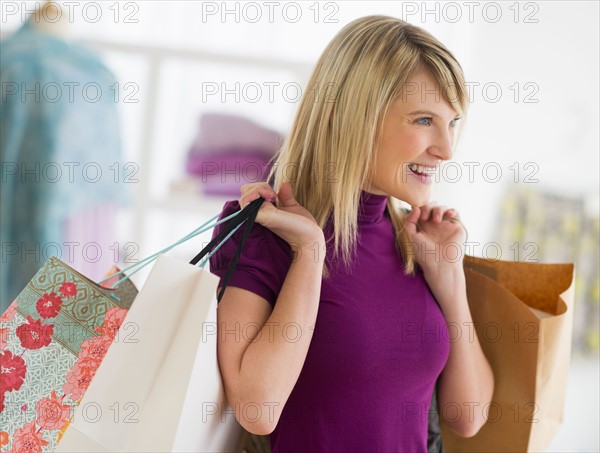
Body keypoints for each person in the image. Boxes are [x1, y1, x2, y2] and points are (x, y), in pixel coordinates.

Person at [208, 15, 494, 453]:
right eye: (423, 120)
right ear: (352, 116)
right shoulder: (263, 230)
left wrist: (450, 281)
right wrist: (308, 251)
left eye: (452, 122)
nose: (446, 149)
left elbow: (468, 417)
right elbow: (257, 410)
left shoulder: (414, 240)